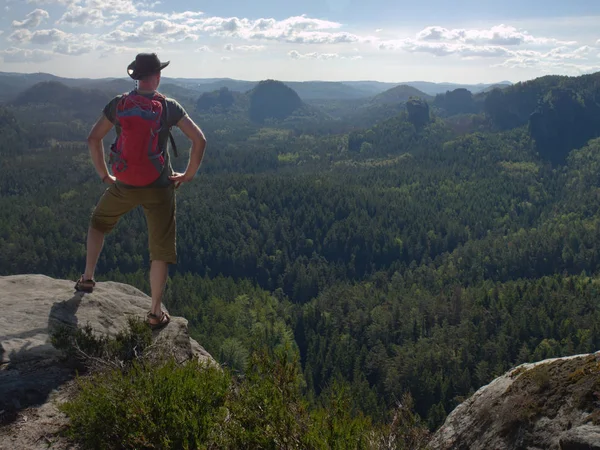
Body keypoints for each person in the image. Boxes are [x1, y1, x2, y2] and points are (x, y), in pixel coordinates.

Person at [74, 53, 206, 330]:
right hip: (159, 187)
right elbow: (199, 139)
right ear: (157, 76)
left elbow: (93, 138)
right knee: (160, 250)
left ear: (136, 77)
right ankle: (155, 313)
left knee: (98, 222)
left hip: (124, 184)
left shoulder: (119, 104)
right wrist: (188, 174)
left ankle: (87, 278)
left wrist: (104, 175)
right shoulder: (168, 107)